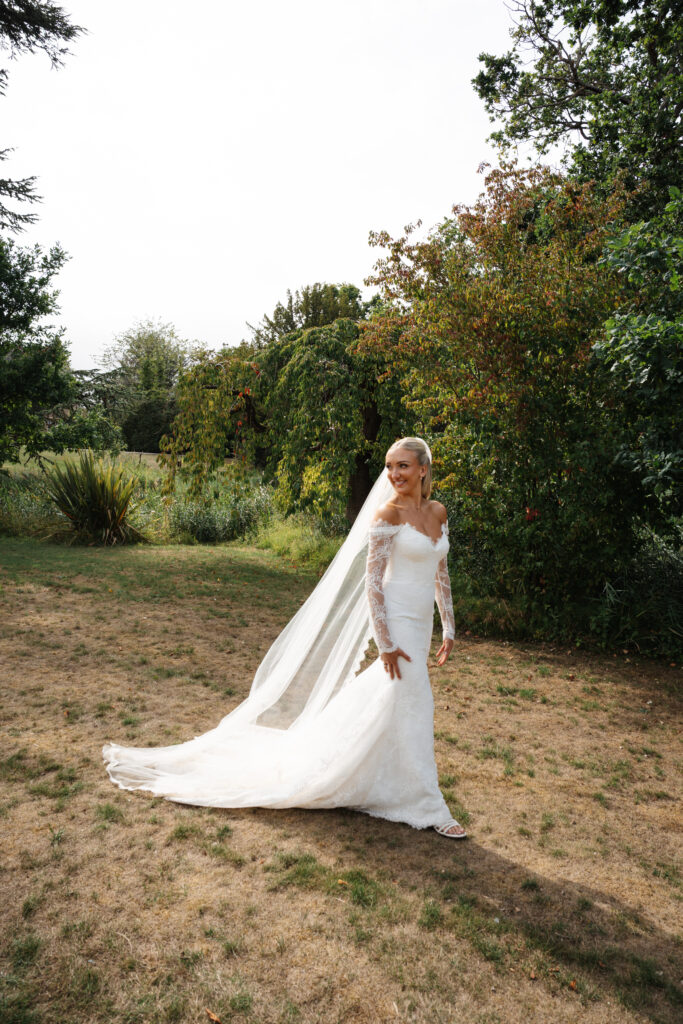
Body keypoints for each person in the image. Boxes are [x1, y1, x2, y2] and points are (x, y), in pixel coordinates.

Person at [103, 437, 467, 839]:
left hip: (421, 624)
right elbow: (372, 584)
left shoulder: (437, 511)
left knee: (396, 701)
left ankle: (370, 773)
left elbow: (441, 572)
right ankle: (430, 805)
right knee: (415, 700)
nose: (394, 474)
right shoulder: (387, 514)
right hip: (395, 621)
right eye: (389, 466)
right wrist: (384, 643)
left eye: (402, 466)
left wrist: (449, 626)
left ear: (422, 469)